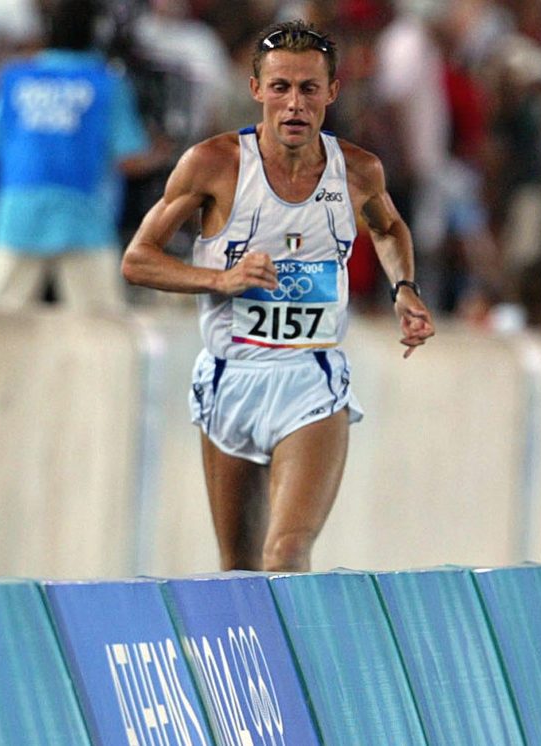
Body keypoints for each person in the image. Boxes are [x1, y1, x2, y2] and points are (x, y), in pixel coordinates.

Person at [121, 19, 435, 572]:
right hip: (230, 377)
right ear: (256, 90)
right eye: (281, 87)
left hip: (308, 379)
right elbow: (138, 259)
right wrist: (219, 279)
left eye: (309, 89)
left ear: (331, 93)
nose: (294, 104)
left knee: (287, 551)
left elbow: (388, 228)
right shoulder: (214, 165)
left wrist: (404, 288)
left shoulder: (358, 171)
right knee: (238, 570)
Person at [0, 0, 158, 312]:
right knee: (101, 326)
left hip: (18, 214)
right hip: (83, 218)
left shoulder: (15, 79)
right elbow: (130, 160)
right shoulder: (106, 84)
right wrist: (160, 154)